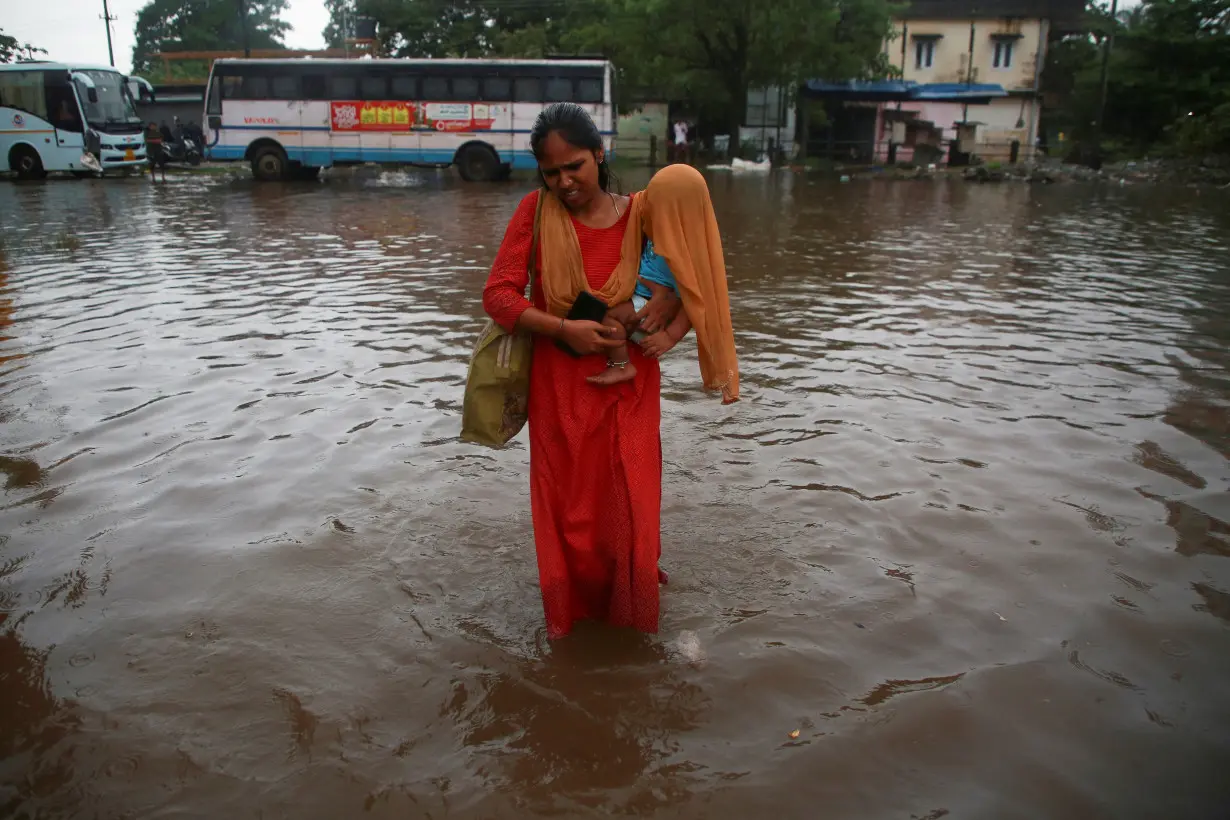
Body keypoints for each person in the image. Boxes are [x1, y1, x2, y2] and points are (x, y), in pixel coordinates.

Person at [482, 102, 738, 639]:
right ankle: (572, 619)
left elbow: (698, 279)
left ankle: (631, 613)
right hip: (559, 386)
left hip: (632, 387)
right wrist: (561, 328)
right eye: (551, 172)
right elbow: (499, 297)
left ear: (600, 154)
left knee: (630, 500)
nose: (564, 181)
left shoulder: (646, 213)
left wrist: (669, 332)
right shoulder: (534, 212)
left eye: (574, 165)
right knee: (571, 510)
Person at [586, 241, 691, 386]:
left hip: (648, 304)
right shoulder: (654, 229)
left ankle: (620, 364)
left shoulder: (685, 244)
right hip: (642, 300)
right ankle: (638, 340)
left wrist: (670, 336)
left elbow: (695, 299)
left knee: (607, 317)